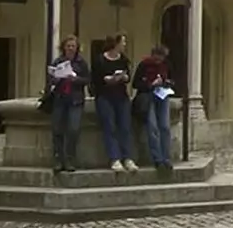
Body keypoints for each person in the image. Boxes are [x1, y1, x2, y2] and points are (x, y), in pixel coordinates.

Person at [91, 32, 138, 172]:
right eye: (123, 42)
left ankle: (128, 158)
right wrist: (107, 80)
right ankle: (115, 158)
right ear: (115, 44)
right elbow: (95, 79)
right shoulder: (100, 60)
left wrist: (123, 78)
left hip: (121, 97)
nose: (124, 45)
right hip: (105, 97)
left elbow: (128, 76)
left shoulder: (123, 59)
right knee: (109, 127)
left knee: (125, 127)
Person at [45, 36, 90, 173]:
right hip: (60, 98)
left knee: (73, 129)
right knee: (57, 130)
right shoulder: (58, 61)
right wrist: (57, 78)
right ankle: (58, 159)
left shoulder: (81, 63)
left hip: (75, 100)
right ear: (64, 47)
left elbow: (87, 79)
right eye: (68, 46)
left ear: (77, 48)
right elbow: (51, 79)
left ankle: (70, 158)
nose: (70, 48)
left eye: (73, 46)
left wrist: (75, 79)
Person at [133, 44, 175, 176]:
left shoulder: (166, 64)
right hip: (148, 96)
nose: (159, 61)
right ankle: (158, 159)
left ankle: (166, 158)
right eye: (157, 59)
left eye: (161, 59)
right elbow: (135, 83)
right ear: (153, 56)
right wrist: (150, 84)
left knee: (165, 127)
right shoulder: (144, 65)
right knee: (153, 128)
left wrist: (165, 82)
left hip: (163, 96)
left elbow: (172, 79)